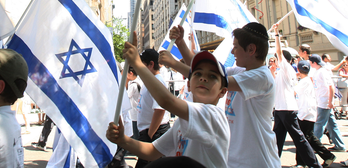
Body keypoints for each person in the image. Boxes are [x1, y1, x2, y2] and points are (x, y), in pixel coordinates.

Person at [165, 21, 282, 168]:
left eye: (236, 47)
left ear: (251, 49)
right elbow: (201, 69)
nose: (233, 52)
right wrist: (181, 43)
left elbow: (210, 81)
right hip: (235, 159)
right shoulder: (240, 71)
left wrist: (174, 63)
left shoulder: (262, 76)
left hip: (258, 160)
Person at [106, 40, 230, 168]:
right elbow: (152, 151)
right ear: (189, 84)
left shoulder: (214, 116)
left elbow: (166, 101)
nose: (203, 78)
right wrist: (123, 140)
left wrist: (137, 63)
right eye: (197, 73)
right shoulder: (182, 122)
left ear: (223, 91)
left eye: (213, 76)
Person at [271, 24, 321, 168]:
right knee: (276, 139)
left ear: (283, 60)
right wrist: (273, 72)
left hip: (287, 109)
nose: (274, 61)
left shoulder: (286, 68)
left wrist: (276, 34)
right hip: (280, 109)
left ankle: (314, 164)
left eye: (276, 59)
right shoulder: (281, 71)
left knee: (299, 139)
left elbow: (279, 52)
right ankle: (273, 163)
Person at [133, 48, 171, 168]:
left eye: (142, 63)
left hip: (154, 132)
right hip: (150, 132)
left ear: (151, 64)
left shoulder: (157, 82)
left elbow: (160, 110)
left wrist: (149, 135)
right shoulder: (150, 80)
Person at [296, 60, 337, 167]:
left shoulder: (304, 82)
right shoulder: (307, 81)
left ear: (298, 70)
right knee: (305, 138)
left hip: (306, 114)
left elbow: (293, 91)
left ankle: (327, 156)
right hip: (306, 113)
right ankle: (302, 161)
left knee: (306, 138)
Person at [309, 54, 345, 152]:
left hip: (324, 102)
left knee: (319, 124)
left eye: (310, 62)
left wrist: (330, 101)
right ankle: (339, 145)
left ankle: (315, 146)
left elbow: (331, 86)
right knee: (331, 124)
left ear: (314, 63)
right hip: (322, 101)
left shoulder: (322, 72)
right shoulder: (318, 71)